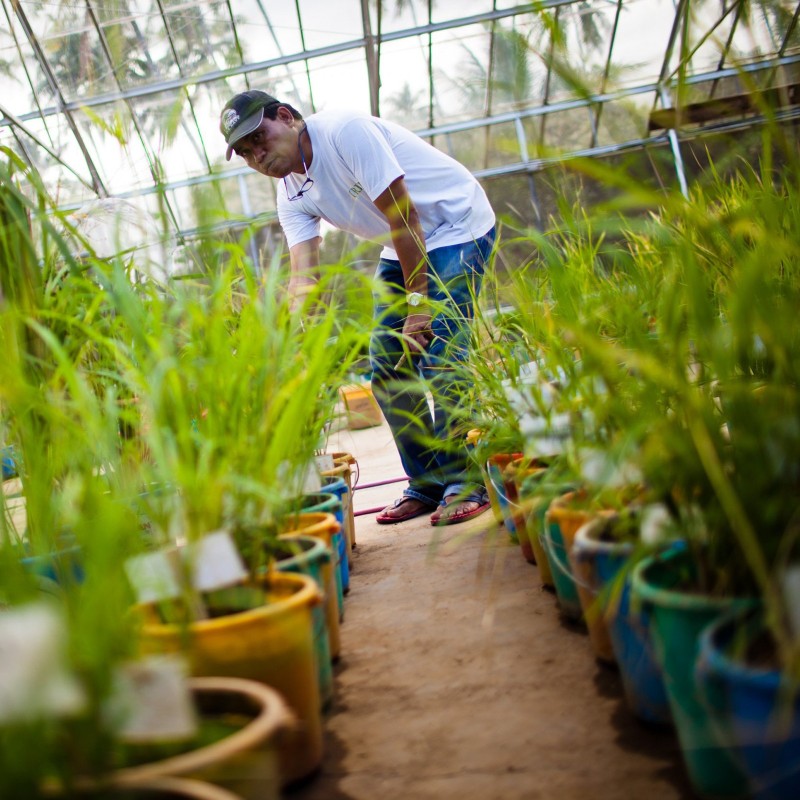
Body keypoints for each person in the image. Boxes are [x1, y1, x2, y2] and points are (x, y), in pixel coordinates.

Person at [220, 90, 496, 526]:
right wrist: (289, 345)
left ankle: (467, 478)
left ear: (287, 117)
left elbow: (405, 217)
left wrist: (419, 308)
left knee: (440, 351)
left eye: (260, 138)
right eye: (246, 152)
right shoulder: (290, 193)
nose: (258, 155)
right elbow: (303, 279)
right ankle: (427, 482)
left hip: (454, 223)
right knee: (385, 363)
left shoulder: (345, 132)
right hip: (399, 245)